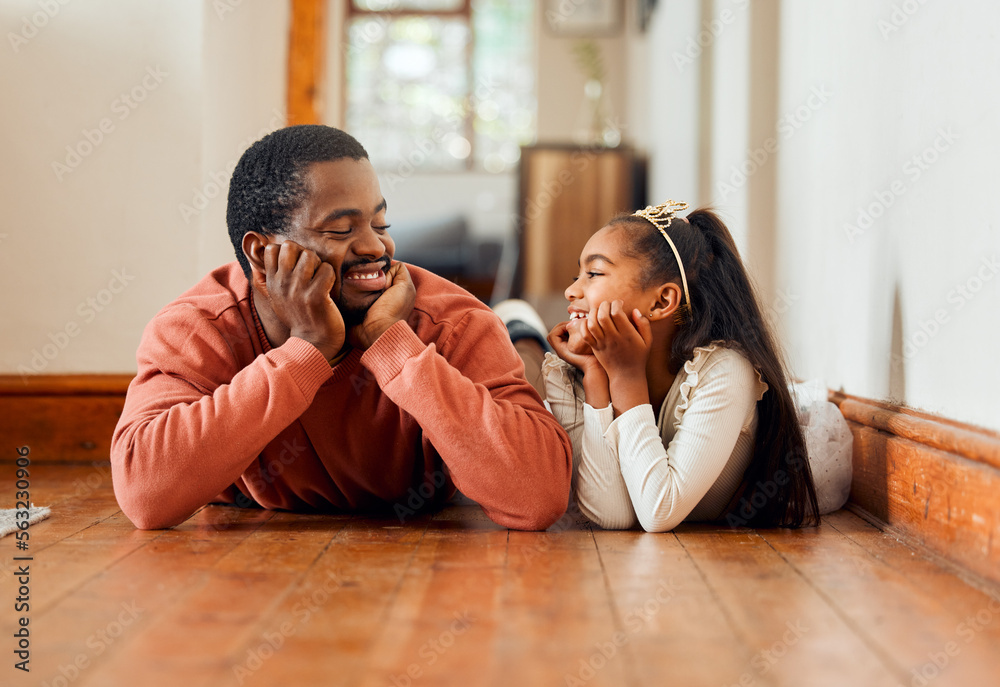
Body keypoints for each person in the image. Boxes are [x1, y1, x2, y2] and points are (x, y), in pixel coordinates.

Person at [110, 125, 572, 531]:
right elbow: (145, 497)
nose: (376, 246)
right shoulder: (198, 328)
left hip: (495, 341)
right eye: (340, 230)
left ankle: (520, 324)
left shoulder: (454, 321)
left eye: (380, 222)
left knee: (527, 357)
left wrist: (395, 346)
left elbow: (537, 497)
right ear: (260, 254)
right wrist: (306, 352)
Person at [542, 201, 820, 532]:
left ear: (661, 302)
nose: (571, 290)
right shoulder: (574, 372)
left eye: (594, 273)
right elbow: (612, 516)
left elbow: (659, 511)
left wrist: (627, 376)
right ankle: (519, 326)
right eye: (578, 274)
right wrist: (597, 377)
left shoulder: (725, 371)